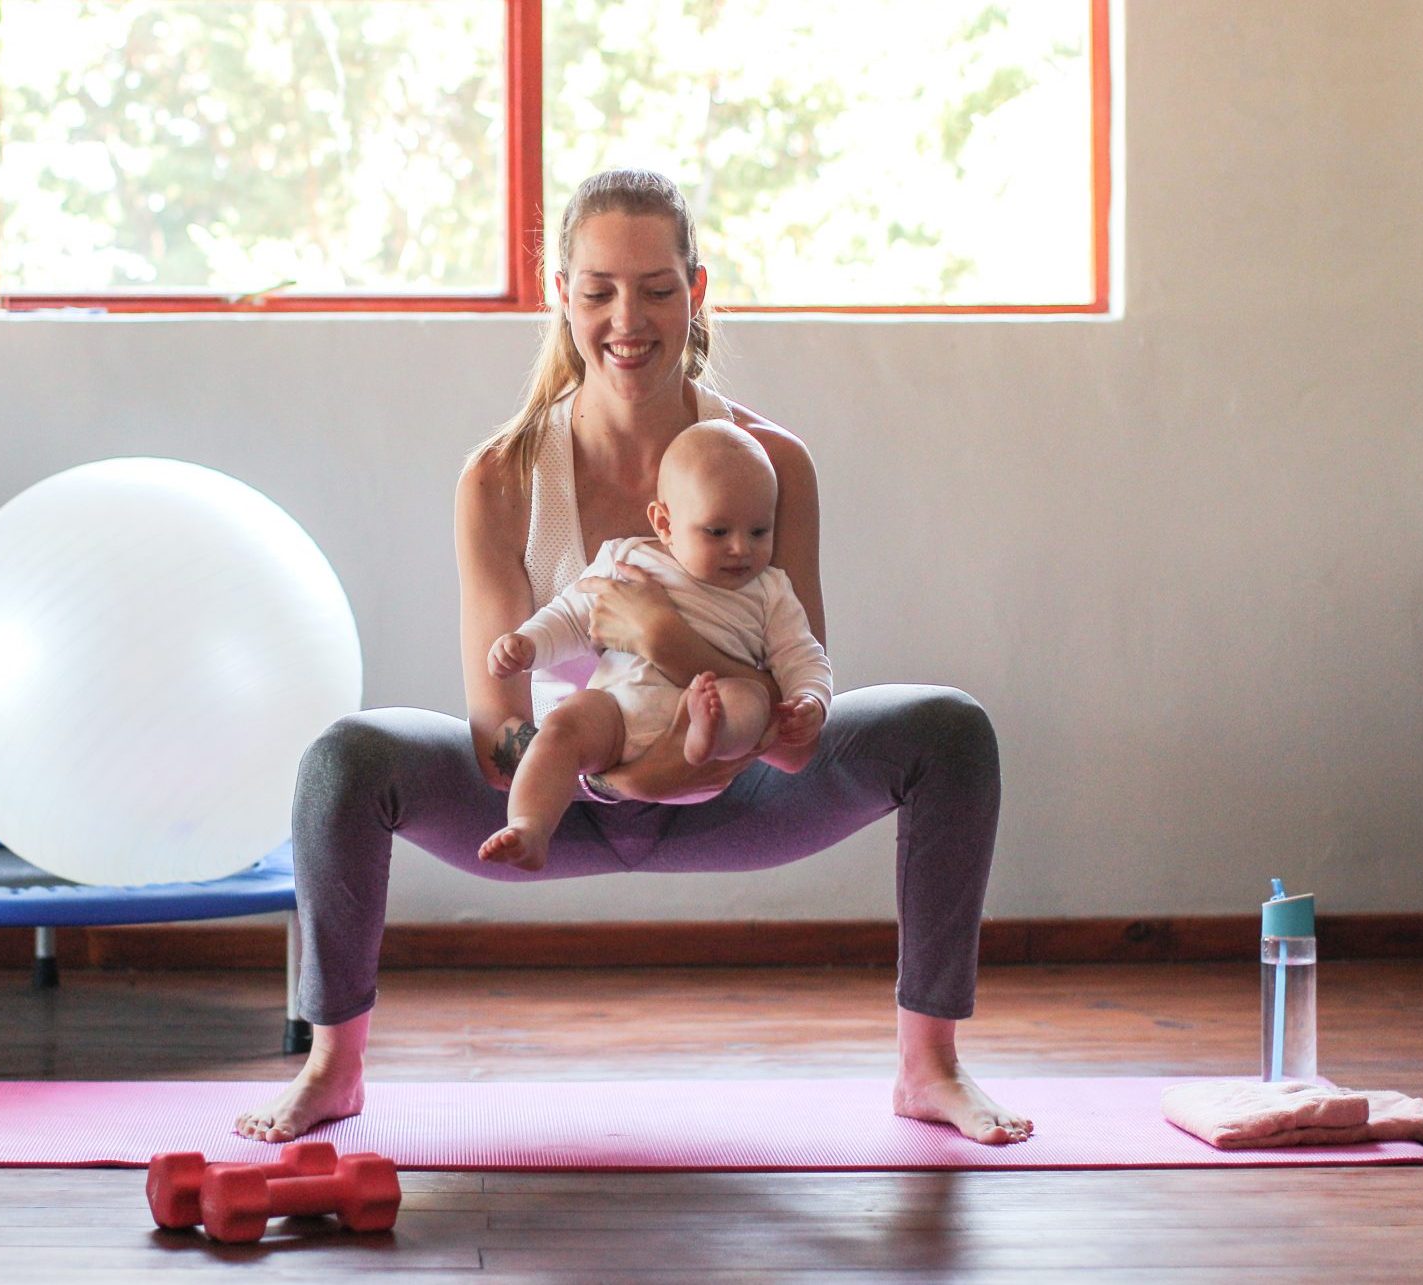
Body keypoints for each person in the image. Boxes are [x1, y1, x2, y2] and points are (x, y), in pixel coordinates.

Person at [235, 168, 1030, 1146]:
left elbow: (793, 720)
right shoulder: (500, 475)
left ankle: (929, 1067)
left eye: (656, 288)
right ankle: (332, 1067)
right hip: (554, 800)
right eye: (598, 289)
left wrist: (664, 647)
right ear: (558, 295)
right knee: (343, 758)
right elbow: (496, 738)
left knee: (948, 731)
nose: (627, 318)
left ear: (696, 292)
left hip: (732, 783)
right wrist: (611, 762)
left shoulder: (769, 461)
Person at [479, 418, 834, 874]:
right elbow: (572, 614)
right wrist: (527, 644)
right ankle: (529, 825)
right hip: (617, 715)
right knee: (562, 728)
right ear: (664, 523)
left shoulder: (770, 592)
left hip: (711, 726)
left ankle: (706, 734)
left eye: (759, 532)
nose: (741, 550)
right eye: (718, 532)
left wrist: (810, 700)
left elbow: (802, 656)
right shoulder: (627, 559)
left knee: (750, 700)